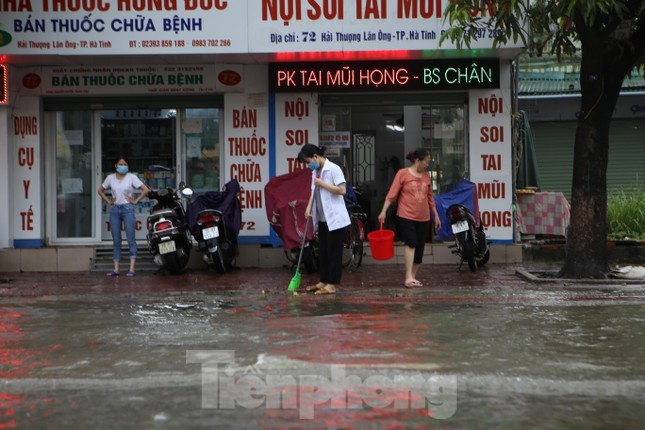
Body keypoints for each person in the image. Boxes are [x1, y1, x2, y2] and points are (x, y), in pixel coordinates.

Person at [378, 148, 441, 288]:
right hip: (406, 216)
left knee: (419, 251)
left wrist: (436, 215)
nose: (427, 165)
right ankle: (408, 277)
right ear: (417, 160)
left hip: (423, 217)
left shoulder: (426, 177)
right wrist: (383, 211)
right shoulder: (403, 174)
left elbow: (430, 199)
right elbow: (392, 194)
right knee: (411, 242)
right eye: (426, 162)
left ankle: (412, 277)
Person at [298, 144, 351, 295]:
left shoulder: (334, 169)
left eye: (308, 161)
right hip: (322, 218)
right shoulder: (315, 172)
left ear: (315, 156)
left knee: (334, 252)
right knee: (324, 251)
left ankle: (332, 285)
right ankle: (324, 281)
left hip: (335, 219)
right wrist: (309, 207)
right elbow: (313, 191)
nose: (309, 165)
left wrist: (323, 184)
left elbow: (342, 190)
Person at [98, 156, 149, 277]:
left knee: (131, 238)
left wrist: (135, 201)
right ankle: (116, 269)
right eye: (120, 164)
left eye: (125, 164)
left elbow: (145, 189)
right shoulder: (110, 178)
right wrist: (109, 201)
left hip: (127, 209)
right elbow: (100, 190)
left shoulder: (132, 177)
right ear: (116, 165)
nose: (123, 166)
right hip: (115, 209)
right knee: (116, 240)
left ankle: (132, 268)